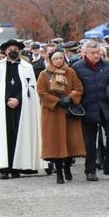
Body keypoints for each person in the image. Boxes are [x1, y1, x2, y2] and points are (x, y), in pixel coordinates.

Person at [0, 39, 43, 179]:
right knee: (5, 135)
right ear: (6, 51)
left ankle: (18, 167)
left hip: (22, 106)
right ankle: (4, 168)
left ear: (19, 51)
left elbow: (31, 87)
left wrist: (18, 99)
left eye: (15, 49)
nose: (13, 51)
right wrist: (8, 98)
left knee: (20, 134)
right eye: (10, 49)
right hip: (3, 107)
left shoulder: (27, 66)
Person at [71, 41, 109, 181]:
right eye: (93, 53)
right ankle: (90, 170)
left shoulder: (108, 65)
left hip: (106, 107)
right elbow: (73, 88)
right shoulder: (77, 68)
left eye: (98, 52)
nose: (96, 55)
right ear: (85, 53)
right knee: (89, 142)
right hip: (87, 108)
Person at [37, 50, 86, 184]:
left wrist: (70, 98)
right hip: (52, 113)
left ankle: (67, 167)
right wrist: (56, 100)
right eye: (55, 59)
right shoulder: (44, 74)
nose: (58, 61)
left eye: (60, 58)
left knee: (71, 142)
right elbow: (41, 92)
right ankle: (59, 172)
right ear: (51, 61)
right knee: (56, 144)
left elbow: (79, 88)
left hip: (68, 112)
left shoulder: (70, 72)